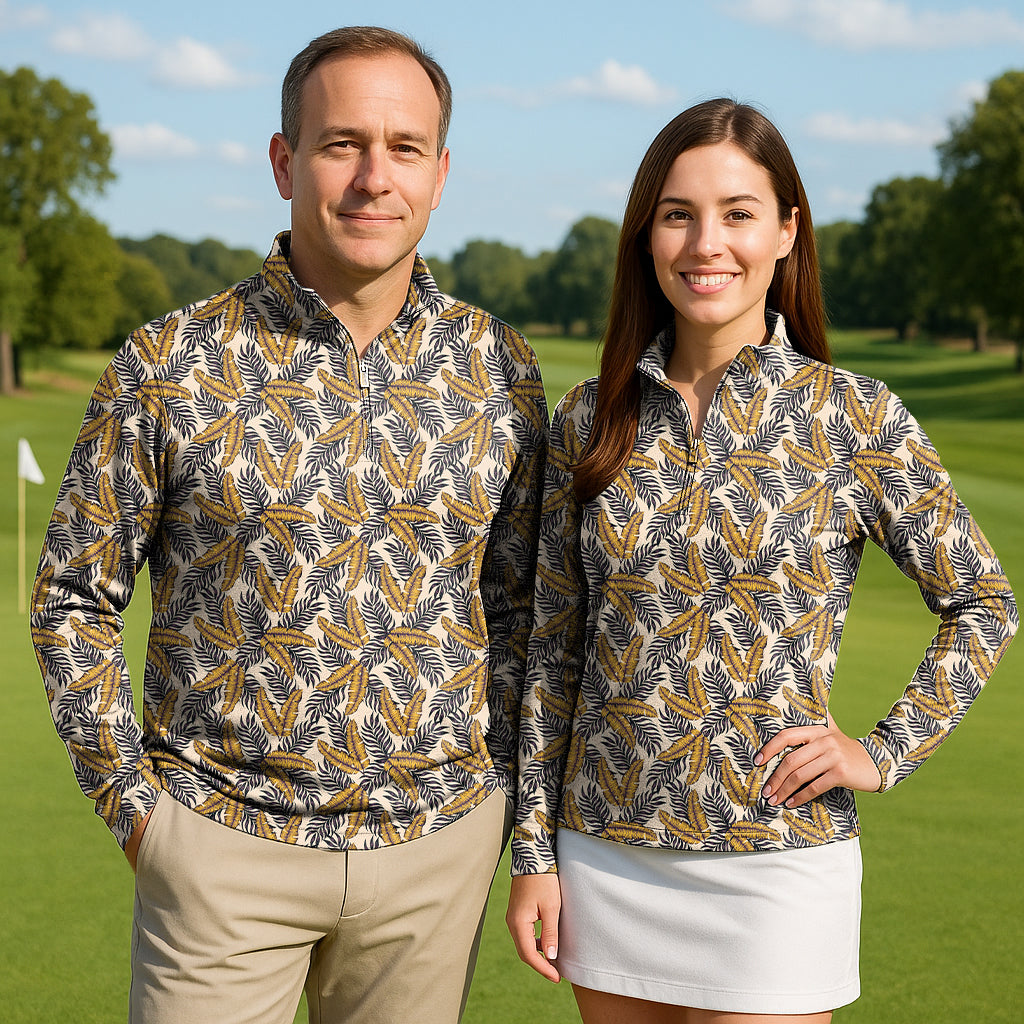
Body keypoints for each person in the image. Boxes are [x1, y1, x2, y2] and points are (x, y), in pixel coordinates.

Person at [31, 25, 547, 1024]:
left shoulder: (500, 370)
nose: (371, 178)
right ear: (284, 161)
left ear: (440, 175)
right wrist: (139, 815)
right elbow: (71, 600)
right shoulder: (171, 362)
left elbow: (523, 612)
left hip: (432, 857)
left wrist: (496, 807)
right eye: (340, 143)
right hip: (218, 850)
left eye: (403, 149)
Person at [505, 98, 1017, 1023]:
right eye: (678, 214)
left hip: (777, 860)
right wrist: (535, 855)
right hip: (606, 855)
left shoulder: (852, 416)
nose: (708, 243)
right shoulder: (587, 419)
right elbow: (551, 655)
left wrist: (883, 751)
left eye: (739, 213)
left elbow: (983, 603)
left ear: (786, 232)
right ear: (646, 235)